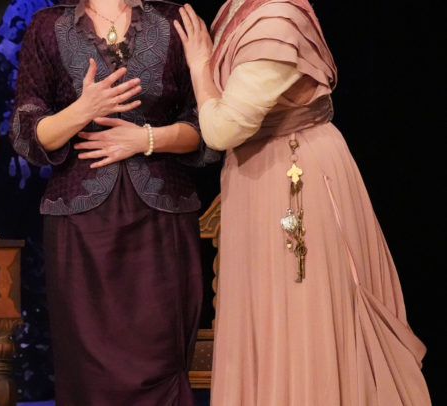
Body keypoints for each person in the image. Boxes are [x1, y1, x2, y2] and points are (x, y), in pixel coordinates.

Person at [174, 1, 432, 405]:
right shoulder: (243, 7)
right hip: (260, 175)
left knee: (299, 311)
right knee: (269, 316)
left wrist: (199, 66)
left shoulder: (276, 19)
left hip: (290, 176)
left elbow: (221, 130)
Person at [10, 1, 219, 404]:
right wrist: (82, 110)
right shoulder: (47, 26)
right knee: (88, 375)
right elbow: (25, 132)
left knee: (161, 360)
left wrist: (147, 139)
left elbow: (209, 125)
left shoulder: (176, 21)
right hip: (81, 229)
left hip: (161, 224)